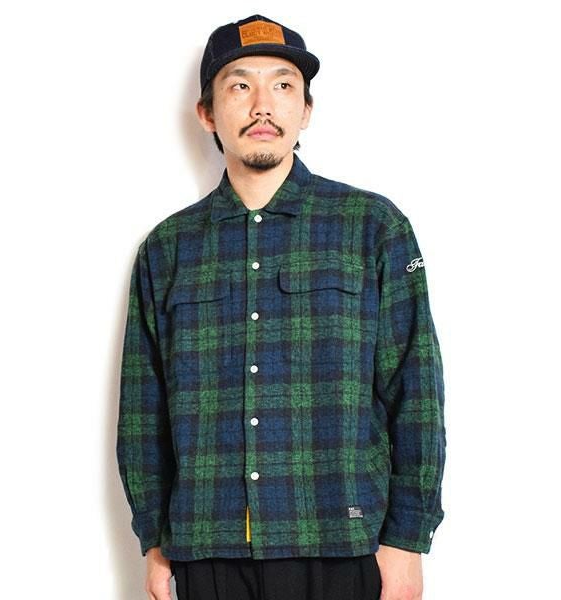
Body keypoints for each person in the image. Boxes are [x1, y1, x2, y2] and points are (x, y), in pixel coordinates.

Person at [116, 13, 446, 600]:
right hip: (206, 549)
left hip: (343, 545)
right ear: (207, 113)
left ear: (306, 110)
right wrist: (155, 541)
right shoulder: (168, 249)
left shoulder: (373, 227)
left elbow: (415, 391)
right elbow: (143, 411)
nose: (262, 105)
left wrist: (406, 540)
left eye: (283, 85)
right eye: (240, 85)